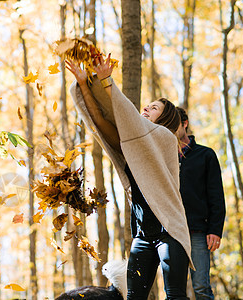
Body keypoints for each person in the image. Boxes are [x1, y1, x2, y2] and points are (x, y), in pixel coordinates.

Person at [67, 54, 193, 300]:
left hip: (170, 232)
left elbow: (134, 123)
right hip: (143, 237)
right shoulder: (132, 148)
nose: (146, 108)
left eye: (153, 108)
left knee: (175, 296)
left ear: (165, 119)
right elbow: (101, 122)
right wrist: (84, 84)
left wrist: (107, 82)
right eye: (147, 105)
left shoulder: (166, 139)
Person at [177, 107, 226, 299]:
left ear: (185, 124)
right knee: (174, 290)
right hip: (172, 232)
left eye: (175, 124)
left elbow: (216, 195)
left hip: (198, 232)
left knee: (201, 288)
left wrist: (215, 229)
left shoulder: (206, 155)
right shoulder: (164, 157)